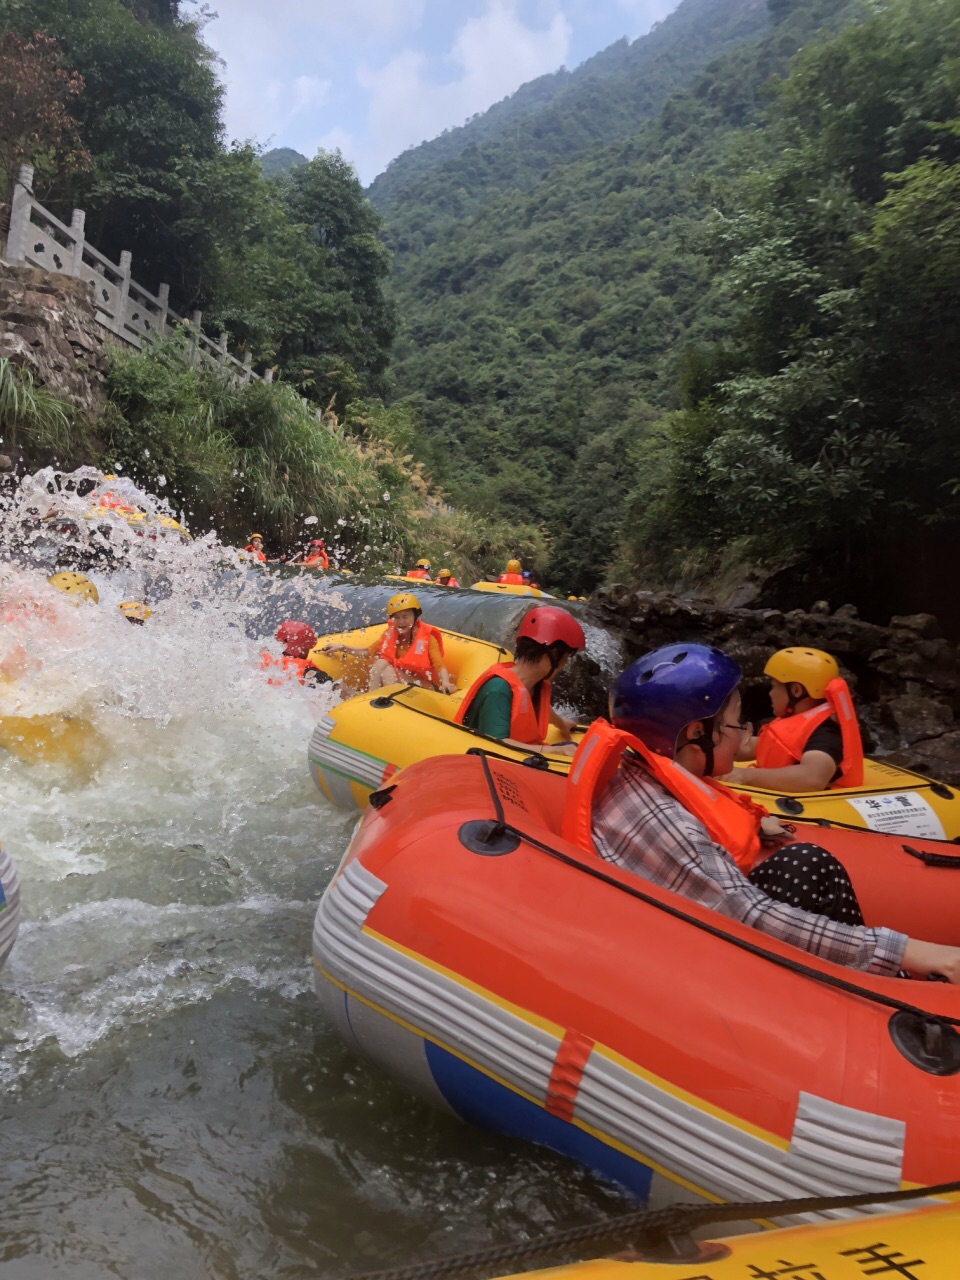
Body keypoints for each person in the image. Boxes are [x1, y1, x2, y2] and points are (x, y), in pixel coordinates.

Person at [567, 643, 960, 981]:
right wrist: (914, 952)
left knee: (804, 862)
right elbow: (750, 916)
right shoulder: (671, 826)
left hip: (673, 930)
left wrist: (752, 818)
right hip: (688, 963)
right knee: (809, 863)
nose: (743, 734)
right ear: (695, 734)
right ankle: (895, 991)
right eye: (737, 723)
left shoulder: (639, 772)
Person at [721, 647, 863, 792]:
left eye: (774, 687)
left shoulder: (826, 733)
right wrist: (712, 739)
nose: (770, 694)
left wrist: (745, 776)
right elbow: (749, 748)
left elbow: (813, 778)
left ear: (796, 691)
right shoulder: (794, 722)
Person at [455, 606, 585, 756]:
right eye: (565, 659)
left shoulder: (533, 685)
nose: (563, 666)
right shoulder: (499, 689)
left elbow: (542, 711)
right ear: (553, 655)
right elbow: (496, 744)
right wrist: (553, 750)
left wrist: (562, 724)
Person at [324, 594, 455, 694]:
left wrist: (446, 682)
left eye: (405, 616)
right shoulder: (390, 634)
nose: (401, 622)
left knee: (388, 671)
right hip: (398, 682)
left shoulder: (428, 638)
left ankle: (382, 703)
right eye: (396, 617)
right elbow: (368, 652)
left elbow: (439, 665)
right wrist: (342, 647)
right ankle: (373, 697)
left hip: (425, 688)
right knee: (382, 663)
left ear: (415, 616)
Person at [261, 620, 321, 685]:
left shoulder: (261, 660)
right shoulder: (307, 670)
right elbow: (331, 690)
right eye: (308, 648)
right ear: (303, 647)